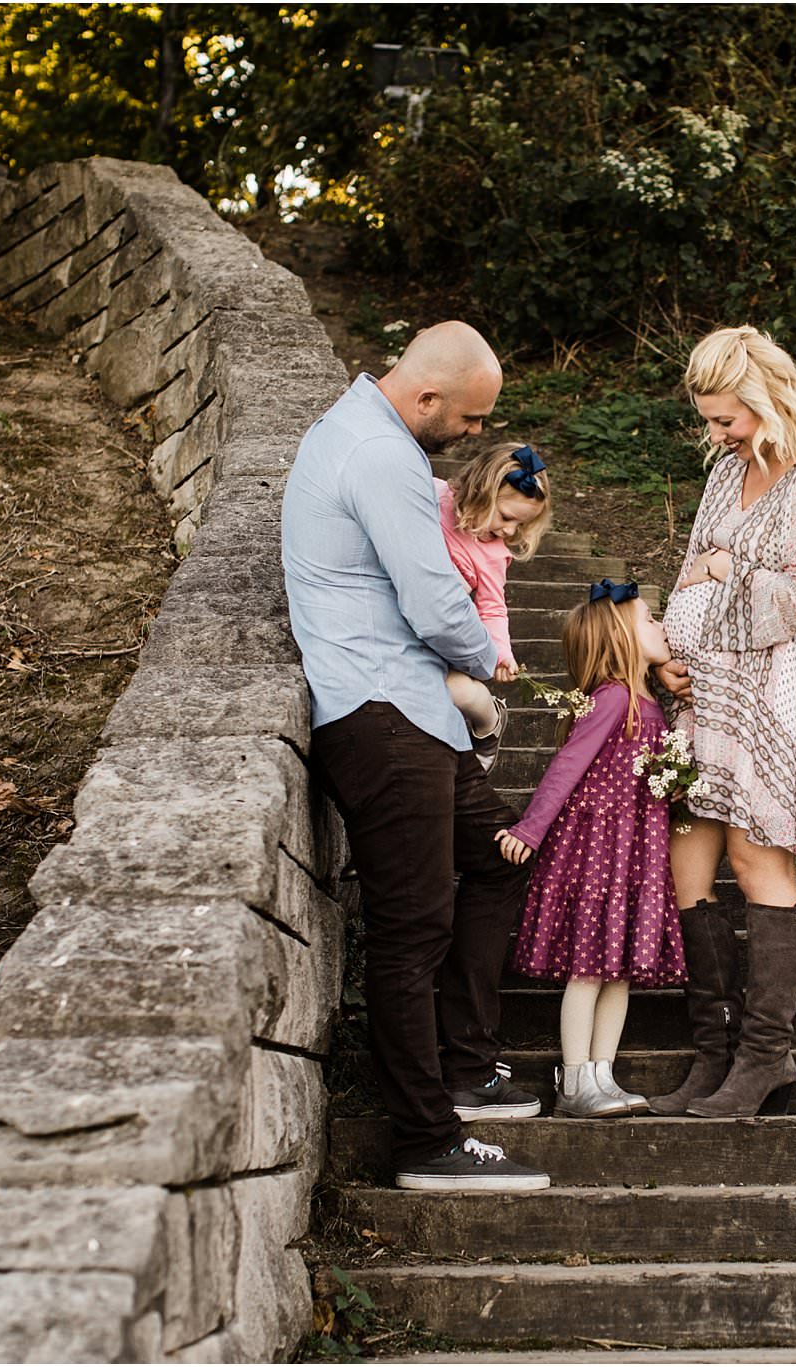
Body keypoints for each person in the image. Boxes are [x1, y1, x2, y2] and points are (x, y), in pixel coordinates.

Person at [281, 320, 549, 1193]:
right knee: (414, 925)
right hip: (379, 712)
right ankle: (424, 1138)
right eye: (470, 419)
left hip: (413, 712)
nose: (475, 436)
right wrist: (487, 658)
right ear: (428, 398)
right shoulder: (381, 454)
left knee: (500, 853)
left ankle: (468, 1064)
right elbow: (435, 601)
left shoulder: (365, 438)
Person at [648, 325, 796, 1119]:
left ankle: (765, 1057)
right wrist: (668, 650)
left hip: (772, 697)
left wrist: (729, 569)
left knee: (753, 854)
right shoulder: (728, 472)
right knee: (687, 865)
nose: (715, 434)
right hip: (708, 697)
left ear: (768, 402)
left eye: (726, 418)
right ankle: (712, 1055)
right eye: (708, 419)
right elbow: (687, 566)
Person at [496, 580, 686, 1118]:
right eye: (650, 619)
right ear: (623, 637)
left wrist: (670, 785)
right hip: (598, 846)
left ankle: (604, 1074)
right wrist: (529, 830)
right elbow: (566, 767)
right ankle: (576, 1078)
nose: (661, 626)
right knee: (587, 968)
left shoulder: (649, 700)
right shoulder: (613, 698)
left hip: (636, 849)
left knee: (619, 969)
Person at [437, 441, 554, 770]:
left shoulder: (493, 553)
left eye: (520, 525)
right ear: (480, 491)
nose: (509, 530)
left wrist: (501, 652)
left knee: (458, 692)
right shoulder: (431, 495)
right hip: (407, 617)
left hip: (447, 632)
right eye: (506, 517)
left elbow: (492, 607)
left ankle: (490, 719)